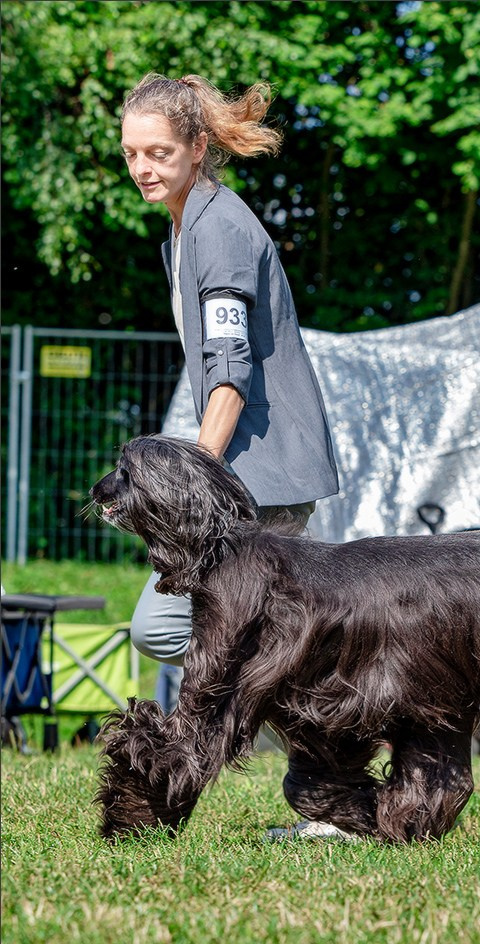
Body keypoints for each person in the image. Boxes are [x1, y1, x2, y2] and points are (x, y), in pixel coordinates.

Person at [119, 73, 339, 697]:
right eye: (131, 153)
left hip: (257, 478)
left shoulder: (217, 227)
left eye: (158, 153)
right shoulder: (188, 225)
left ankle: (358, 697)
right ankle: (343, 707)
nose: (142, 167)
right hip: (250, 473)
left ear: (195, 145)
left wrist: (197, 475)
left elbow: (229, 366)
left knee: (168, 626)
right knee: (239, 635)